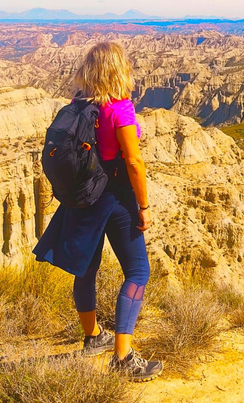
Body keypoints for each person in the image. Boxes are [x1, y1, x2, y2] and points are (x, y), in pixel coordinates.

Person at [34, 41, 162, 381]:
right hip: (114, 196)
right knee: (137, 271)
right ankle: (123, 358)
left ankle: (93, 337)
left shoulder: (79, 104)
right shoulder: (120, 109)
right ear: (119, 70)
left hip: (81, 196)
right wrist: (144, 206)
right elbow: (133, 161)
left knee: (86, 268)